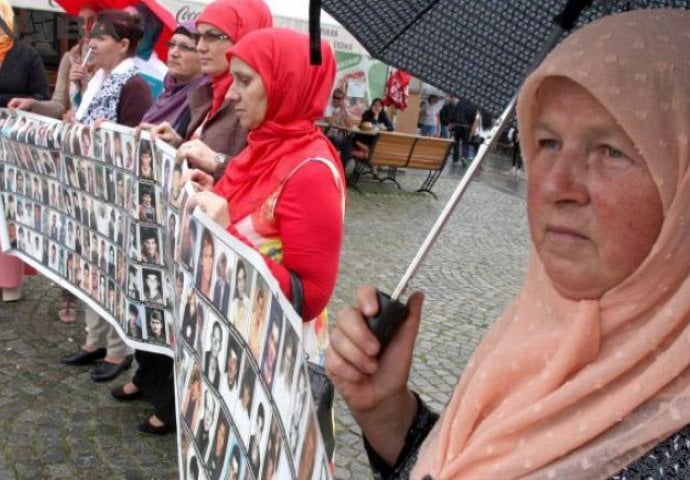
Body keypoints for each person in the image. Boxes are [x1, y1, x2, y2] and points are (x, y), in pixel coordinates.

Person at [325, 10, 690, 479]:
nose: (557, 184)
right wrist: (387, 412)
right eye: (548, 142)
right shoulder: (530, 333)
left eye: (611, 150)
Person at [188, 26, 346, 464]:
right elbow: (257, 213)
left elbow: (310, 296)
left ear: (285, 83)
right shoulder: (265, 146)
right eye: (233, 79)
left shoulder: (310, 170)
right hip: (239, 348)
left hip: (275, 365)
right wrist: (217, 189)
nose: (231, 94)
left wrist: (227, 231)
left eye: (245, 80)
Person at [61, 10, 153, 383]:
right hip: (87, 191)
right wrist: (73, 105)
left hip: (113, 198)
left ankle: (118, 348)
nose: (91, 43)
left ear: (124, 44)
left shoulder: (134, 85)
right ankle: (94, 339)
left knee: (112, 273)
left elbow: (135, 145)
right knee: (88, 270)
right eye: (90, 36)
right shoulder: (98, 79)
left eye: (100, 37)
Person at [153, 0, 272, 183]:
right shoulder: (208, 92)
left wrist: (217, 161)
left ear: (245, 37)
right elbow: (205, 156)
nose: (200, 46)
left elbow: (263, 177)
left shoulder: (260, 102)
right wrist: (178, 144)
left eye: (213, 36)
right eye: (200, 36)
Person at [0, 0, 49, 301]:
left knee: (9, 211)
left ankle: (10, 283)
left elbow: (40, 95)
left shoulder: (26, 54)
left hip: (13, 143)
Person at [138, 21, 207, 137]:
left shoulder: (203, 97)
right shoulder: (169, 89)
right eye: (171, 45)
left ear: (203, 56)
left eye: (185, 47)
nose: (174, 53)